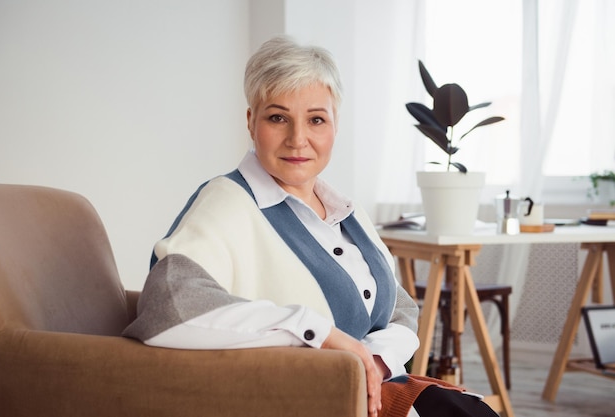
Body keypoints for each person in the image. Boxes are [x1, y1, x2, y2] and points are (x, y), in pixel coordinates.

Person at [123, 36, 498, 417]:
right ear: (251, 121)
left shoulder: (346, 211)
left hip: (379, 392)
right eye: (277, 117)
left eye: (316, 119)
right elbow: (168, 306)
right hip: (301, 401)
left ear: (335, 124)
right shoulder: (227, 201)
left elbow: (400, 307)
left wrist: (374, 362)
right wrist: (316, 333)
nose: (297, 139)